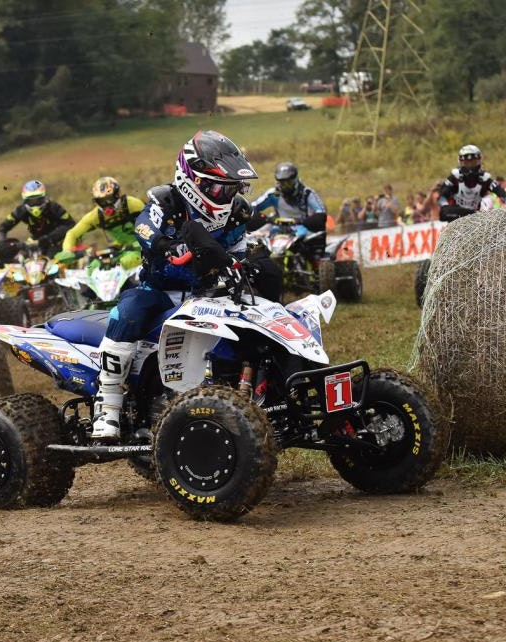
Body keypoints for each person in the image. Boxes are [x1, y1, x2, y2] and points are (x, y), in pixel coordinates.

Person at [90, 130, 260, 441]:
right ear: (195, 181)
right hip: (158, 291)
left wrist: (248, 264)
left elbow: (237, 251)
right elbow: (143, 227)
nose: (227, 197)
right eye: (220, 189)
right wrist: (165, 244)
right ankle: (108, 405)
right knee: (126, 313)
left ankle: (247, 393)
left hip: (206, 293)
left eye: (233, 189)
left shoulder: (236, 213)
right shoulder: (165, 199)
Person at [58, 176, 146, 269]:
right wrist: (67, 252)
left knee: (123, 263)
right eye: (101, 201)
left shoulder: (134, 204)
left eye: (109, 199)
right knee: (92, 267)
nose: (106, 204)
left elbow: (155, 224)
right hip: (120, 250)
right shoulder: (96, 216)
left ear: (117, 195)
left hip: (143, 248)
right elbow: (73, 234)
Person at [0, 180, 75, 256]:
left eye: (38, 200)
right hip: (36, 240)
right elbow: (3, 228)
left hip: (58, 240)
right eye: (31, 201)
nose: (35, 204)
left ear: (44, 198)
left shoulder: (53, 207)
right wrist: (2, 244)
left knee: (51, 254)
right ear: (25, 201)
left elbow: (70, 224)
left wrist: (48, 239)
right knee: (23, 256)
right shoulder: (21, 210)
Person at [437, 145, 506, 219]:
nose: (470, 166)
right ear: (461, 162)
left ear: (479, 161)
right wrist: (445, 205)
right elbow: (442, 197)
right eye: (467, 163)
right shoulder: (455, 177)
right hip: (457, 214)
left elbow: (502, 193)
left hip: (475, 216)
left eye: (473, 163)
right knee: (444, 212)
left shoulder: (485, 178)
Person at [250, 162, 327, 235]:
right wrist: (265, 219)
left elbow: (321, 212)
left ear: (296, 180)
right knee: (255, 237)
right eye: (283, 184)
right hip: (278, 229)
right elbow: (253, 206)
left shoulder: (307, 193)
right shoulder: (273, 194)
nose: (286, 187)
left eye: (289, 183)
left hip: (302, 229)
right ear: (278, 183)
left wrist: (307, 221)